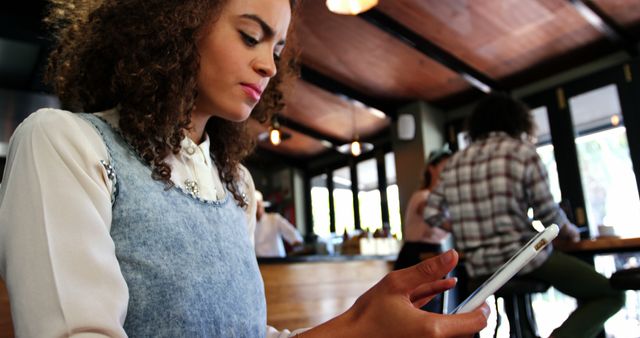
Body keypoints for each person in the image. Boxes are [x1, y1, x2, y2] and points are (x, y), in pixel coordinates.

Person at [0, 0, 490, 337]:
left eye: (276, 50)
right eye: (250, 36)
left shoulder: (234, 183)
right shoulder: (65, 144)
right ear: (176, 19)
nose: (270, 66)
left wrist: (360, 322)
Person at [424, 92, 625, 338]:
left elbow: (431, 213)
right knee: (611, 293)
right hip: (524, 259)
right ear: (516, 121)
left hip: (479, 269)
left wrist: (467, 228)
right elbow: (548, 213)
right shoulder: (521, 152)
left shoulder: (455, 162)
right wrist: (570, 231)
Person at [394, 148, 453, 313]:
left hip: (434, 251)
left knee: (433, 304)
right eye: (444, 166)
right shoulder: (423, 196)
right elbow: (427, 212)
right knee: (419, 307)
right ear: (431, 168)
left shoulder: (441, 199)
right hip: (417, 254)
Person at [254, 190, 303, 257]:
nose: (256, 209)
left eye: (258, 206)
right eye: (254, 207)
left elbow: (293, 235)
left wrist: (297, 245)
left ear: (262, 206)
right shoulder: (248, 225)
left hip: (278, 261)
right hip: (260, 263)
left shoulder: (274, 219)